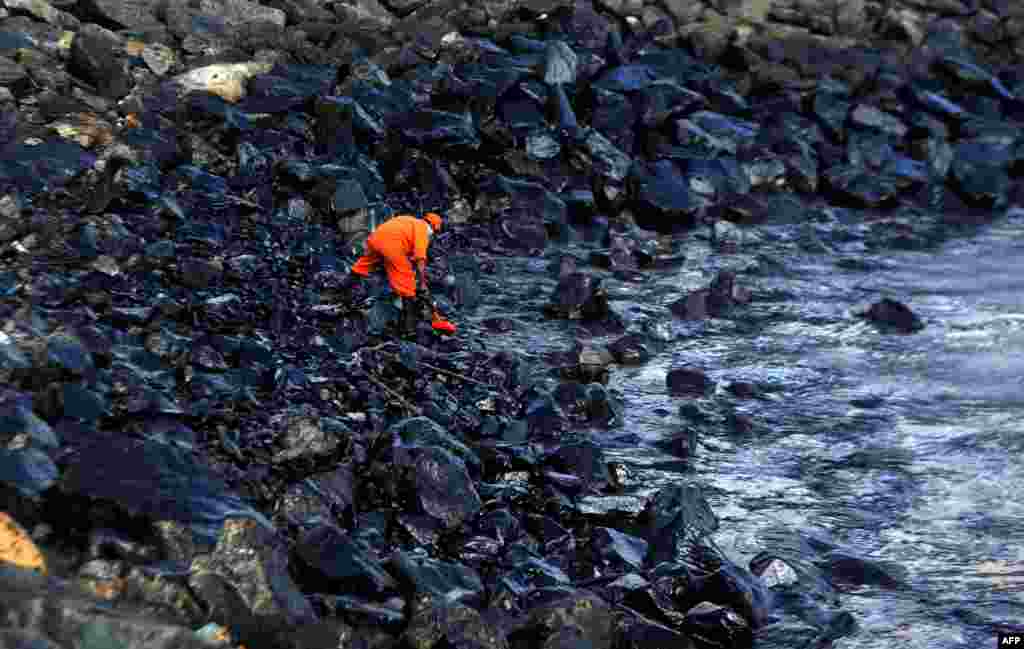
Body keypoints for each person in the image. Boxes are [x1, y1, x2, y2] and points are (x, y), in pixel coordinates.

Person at [340, 212, 443, 335]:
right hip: (392, 244)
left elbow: (404, 243)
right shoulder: (422, 229)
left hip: (376, 239)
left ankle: (339, 294)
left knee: (361, 267)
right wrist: (422, 283)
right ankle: (408, 329)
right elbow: (420, 257)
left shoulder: (408, 220)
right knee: (406, 281)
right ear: (433, 228)